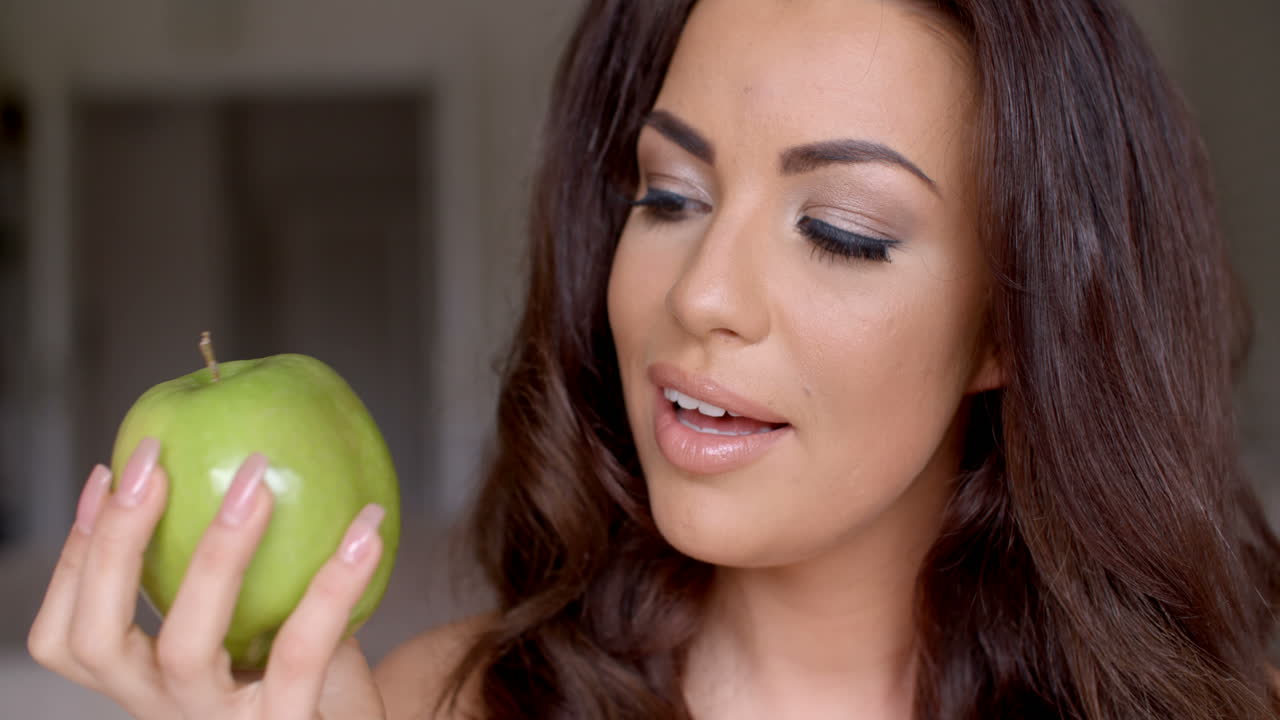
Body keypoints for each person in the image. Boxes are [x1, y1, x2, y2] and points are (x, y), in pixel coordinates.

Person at [26, 0, 1280, 717]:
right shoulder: (437, 702)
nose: (700, 294)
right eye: (669, 197)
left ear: (1011, 323)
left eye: (840, 232)